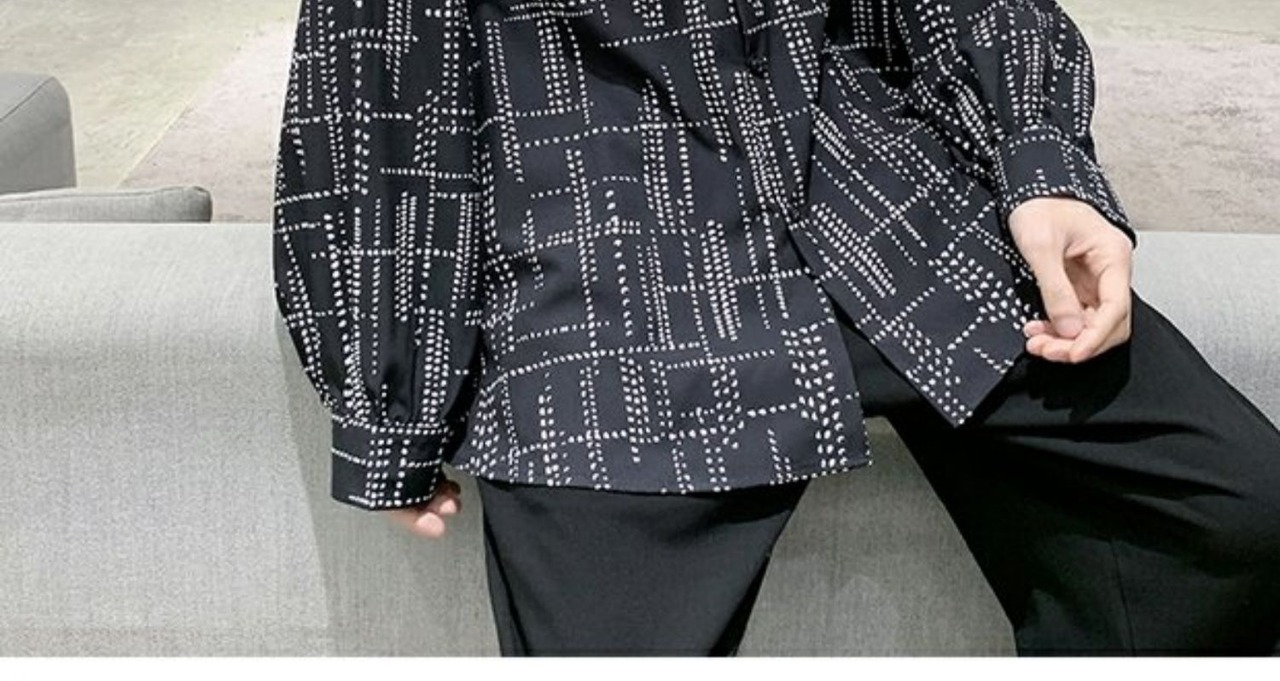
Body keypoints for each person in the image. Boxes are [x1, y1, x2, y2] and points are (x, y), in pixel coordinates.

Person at [270, 0, 1280, 655]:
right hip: (600, 250)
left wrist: (1039, 157)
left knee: (1231, 511)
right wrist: (391, 403)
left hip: (873, 192)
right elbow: (374, 82)